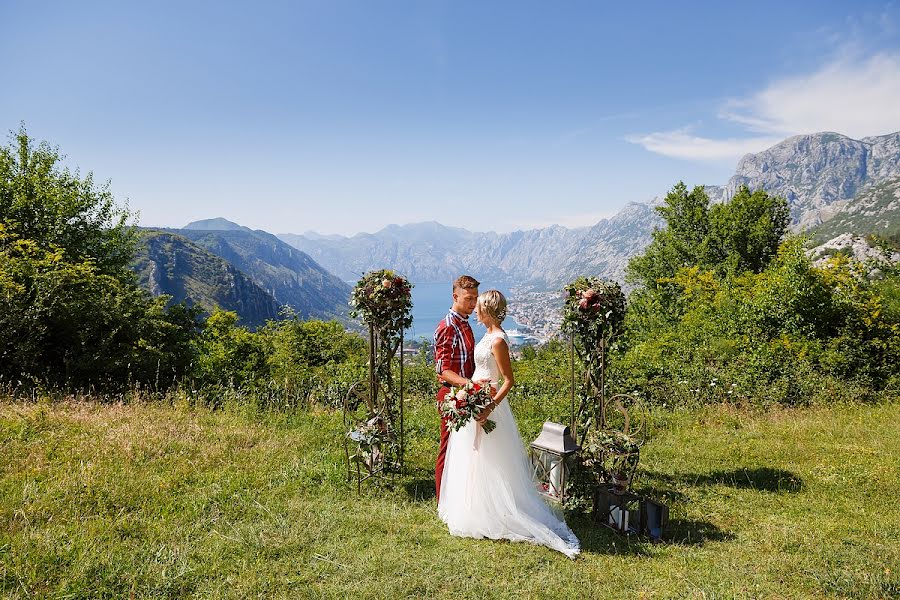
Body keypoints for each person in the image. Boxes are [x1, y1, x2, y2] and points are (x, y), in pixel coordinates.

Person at [437, 289, 580, 558]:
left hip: (489, 407)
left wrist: (489, 406)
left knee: (491, 460)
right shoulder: (488, 335)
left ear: (488, 310)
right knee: (473, 458)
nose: (475, 311)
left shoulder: (499, 339)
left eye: (479, 307)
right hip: (475, 399)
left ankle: (496, 512)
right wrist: (469, 395)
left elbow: (507, 380)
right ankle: (474, 508)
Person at [432, 275, 479, 503]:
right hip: (451, 394)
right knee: (448, 447)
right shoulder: (448, 327)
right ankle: (443, 500)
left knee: (463, 448)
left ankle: (460, 497)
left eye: (475, 299)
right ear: (455, 296)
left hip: (464, 393)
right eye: (469, 298)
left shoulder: (465, 322)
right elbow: (443, 371)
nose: (473, 303)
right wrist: (469, 384)